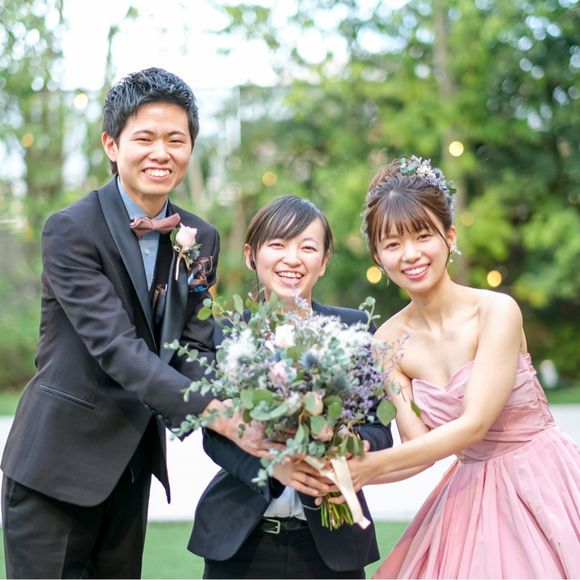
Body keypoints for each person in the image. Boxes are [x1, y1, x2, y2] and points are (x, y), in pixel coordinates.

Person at [1, 67, 269, 579]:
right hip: (55, 467)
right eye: (144, 138)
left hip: (130, 467)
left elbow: (195, 346)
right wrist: (215, 412)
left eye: (176, 140)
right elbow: (117, 348)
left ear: (190, 147)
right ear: (112, 144)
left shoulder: (200, 237)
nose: (160, 153)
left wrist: (251, 402)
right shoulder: (70, 230)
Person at [343, 155, 580, 578]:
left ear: (449, 236)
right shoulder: (385, 344)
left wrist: (373, 467)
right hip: (470, 496)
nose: (410, 254)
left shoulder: (496, 312)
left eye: (422, 236)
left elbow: (474, 425)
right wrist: (347, 472)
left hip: (543, 482)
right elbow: (419, 451)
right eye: (392, 244)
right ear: (378, 256)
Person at [189, 195, 394, 579]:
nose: (292, 259)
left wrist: (344, 442)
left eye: (308, 247)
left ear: (324, 261)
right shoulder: (227, 334)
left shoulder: (354, 329)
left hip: (332, 543)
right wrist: (273, 468)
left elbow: (380, 430)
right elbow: (214, 436)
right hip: (240, 541)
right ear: (251, 255)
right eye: (278, 244)